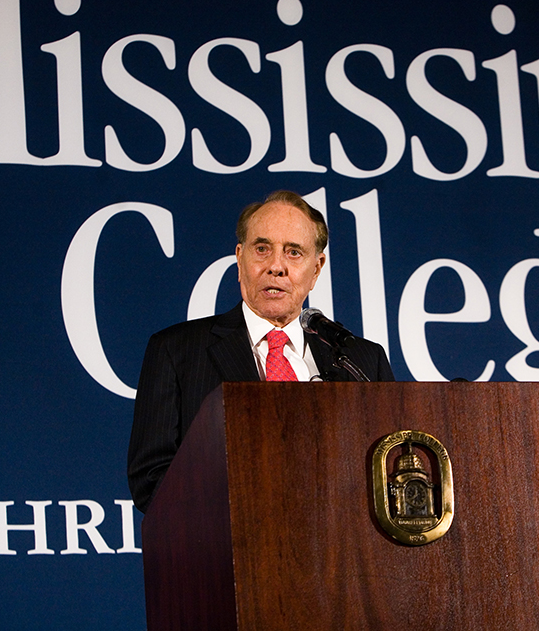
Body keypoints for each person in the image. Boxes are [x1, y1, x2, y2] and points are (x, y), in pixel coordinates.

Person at [127, 191, 394, 512]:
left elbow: (390, 469)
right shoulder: (176, 350)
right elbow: (151, 480)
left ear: (317, 268)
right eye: (262, 249)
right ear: (240, 258)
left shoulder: (361, 360)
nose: (276, 267)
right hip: (226, 552)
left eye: (294, 252)